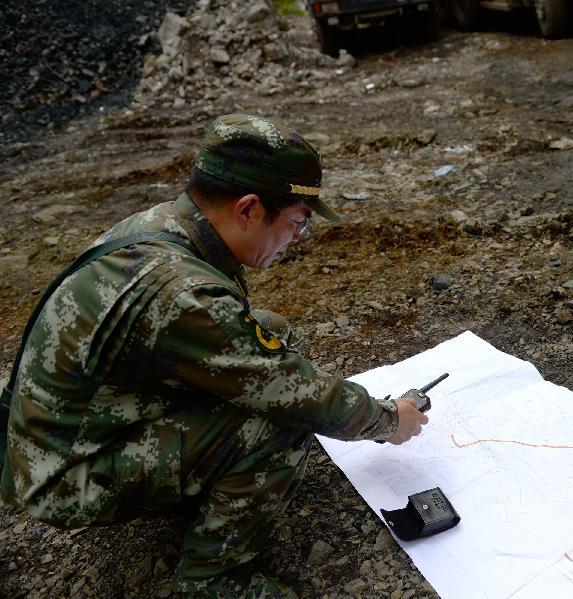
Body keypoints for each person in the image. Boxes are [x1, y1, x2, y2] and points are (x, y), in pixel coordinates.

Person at [0, 114, 429, 596]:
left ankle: (200, 486)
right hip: (61, 476)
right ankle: (214, 582)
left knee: (271, 330)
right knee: (279, 424)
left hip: (65, 431)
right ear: (247, 209)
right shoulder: (185, 294)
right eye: (297, 224)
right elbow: (301, 397)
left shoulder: (162, 225)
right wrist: (392, 419)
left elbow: (254, 353)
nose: (296, 241)